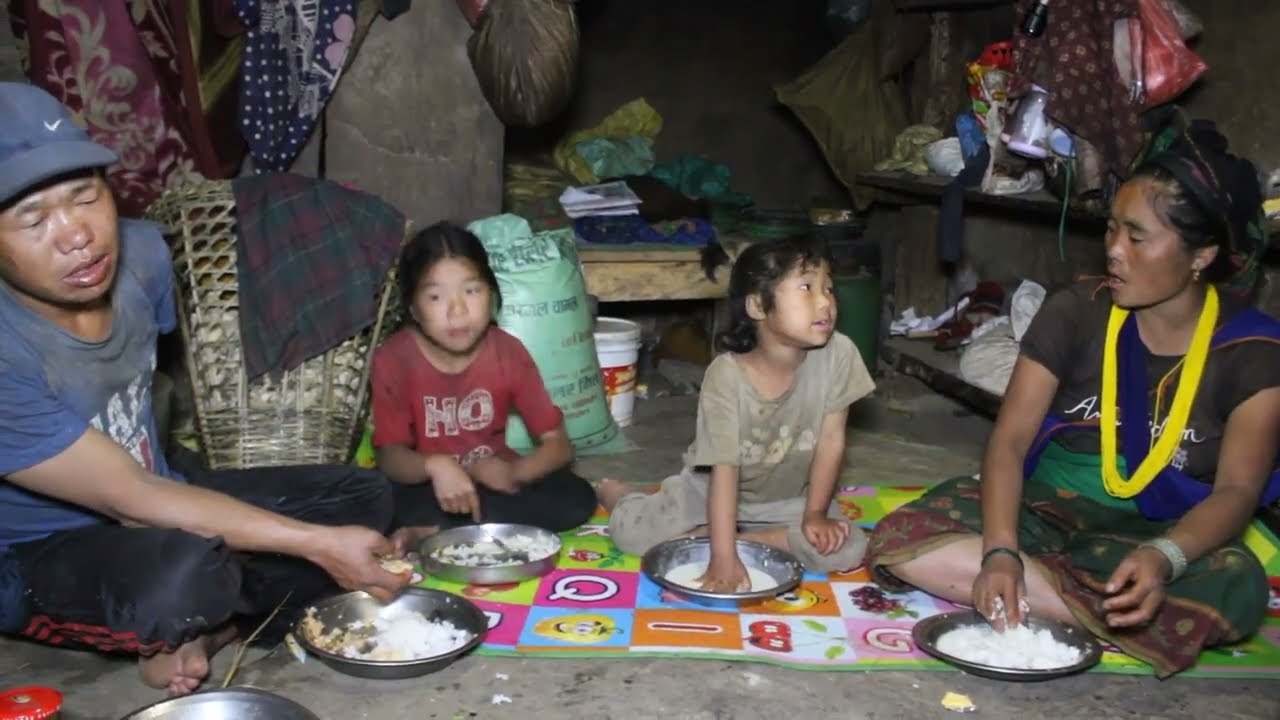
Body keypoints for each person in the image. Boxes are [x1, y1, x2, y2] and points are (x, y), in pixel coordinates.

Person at [0, 82, 418, 696]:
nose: (76, 235)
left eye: (85, 196)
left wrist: (313, 537)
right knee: (185, 576)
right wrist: (316, 547)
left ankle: (212, 626)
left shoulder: (142, 257)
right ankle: (183, 620)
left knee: (362, 495)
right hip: (43, 550)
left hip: (157, 490)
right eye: (34, 220)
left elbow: (154, 462)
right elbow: (128, 496)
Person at [866, 120, 1280, 678]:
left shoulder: (1253, 351)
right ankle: (1105, 609)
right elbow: (1010, 442)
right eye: (1111, 229)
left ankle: (1062, 593)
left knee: (1237, 582)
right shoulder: (1076, 310)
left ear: (1201, 255)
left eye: (1137, 238)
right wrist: (1001, 551)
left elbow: (1236, 491)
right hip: (1046, 510)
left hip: (1158, 532)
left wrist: (1164, 557)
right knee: (906, 530)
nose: (1114, 251)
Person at [597, 237, 875, 591]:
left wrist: (815, 515)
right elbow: (724, 472)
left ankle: (726, 538)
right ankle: (623, 496)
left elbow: (832, 442)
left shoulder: (840, 354)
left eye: (829, 288)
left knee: (849, 547)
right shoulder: (726, 376)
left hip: (790, 498)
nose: (825, 302)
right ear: (758, 306)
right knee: (632, 536)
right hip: (707, 491)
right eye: (807, 288)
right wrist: (722, 558)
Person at [371, 221, 597, 533]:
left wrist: (515, 473)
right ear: (413, 308)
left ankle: (438, 530)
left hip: (493, 482)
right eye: (435, 297)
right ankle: (450, 524)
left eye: (472, 291)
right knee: (375, 502)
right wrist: (435, 466)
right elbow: (390, 457)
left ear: (491, 295)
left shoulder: (508, 352)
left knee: (576, 498)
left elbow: (558, 445)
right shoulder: (393, 359)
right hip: (429, 486)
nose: (457, 310)